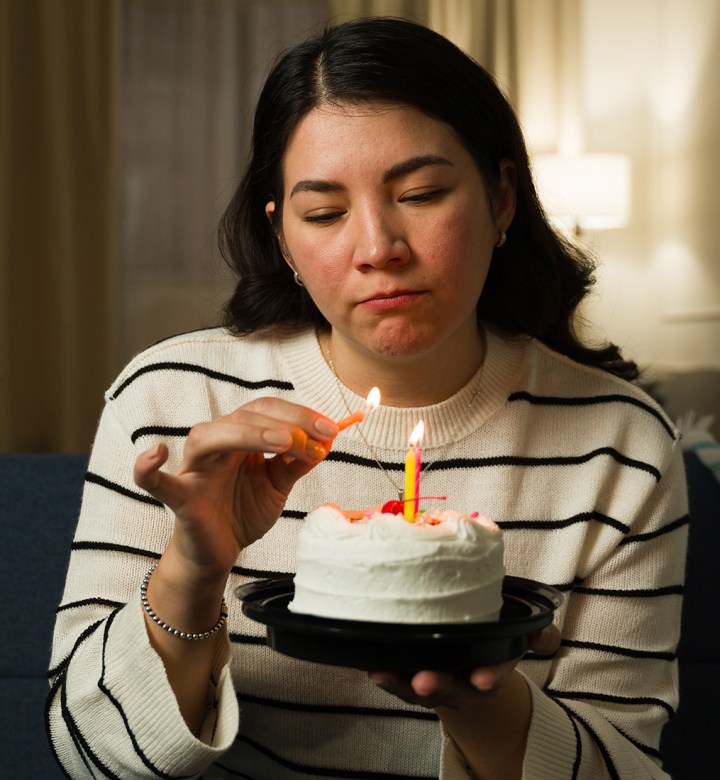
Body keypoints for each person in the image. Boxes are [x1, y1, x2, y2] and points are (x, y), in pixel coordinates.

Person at [47, 16, 688, 780]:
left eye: (421, 193)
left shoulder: (620, 446)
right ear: (283, 237)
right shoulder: (174, 402)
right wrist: (191, 570)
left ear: (502, 198)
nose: (378, 247)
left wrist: (478, 695)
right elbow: (90, 758)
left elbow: (627, 765)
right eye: (324, 213)